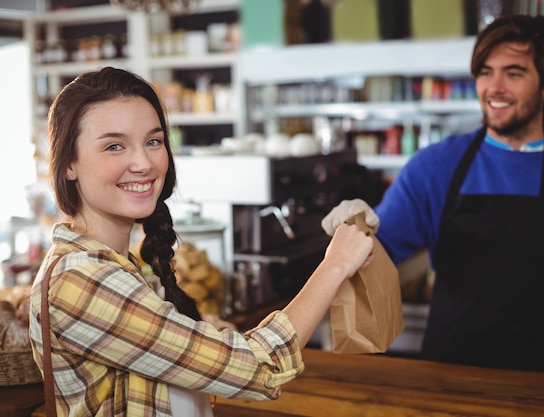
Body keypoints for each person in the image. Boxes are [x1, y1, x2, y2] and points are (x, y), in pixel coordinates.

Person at [29, 66, 374, 417]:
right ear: (68, 163)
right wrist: (336, 264)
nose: (144, 163)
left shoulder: (112, 267)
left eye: (154, 141)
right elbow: (260, 367)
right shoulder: (81, 281)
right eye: (114, 146)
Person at [322, 14, 544, 378]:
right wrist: (354, 229)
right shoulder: (434, 166)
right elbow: (378, 251)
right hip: (449, 380)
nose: (493, 87)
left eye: (513, 73)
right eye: (485, 72)